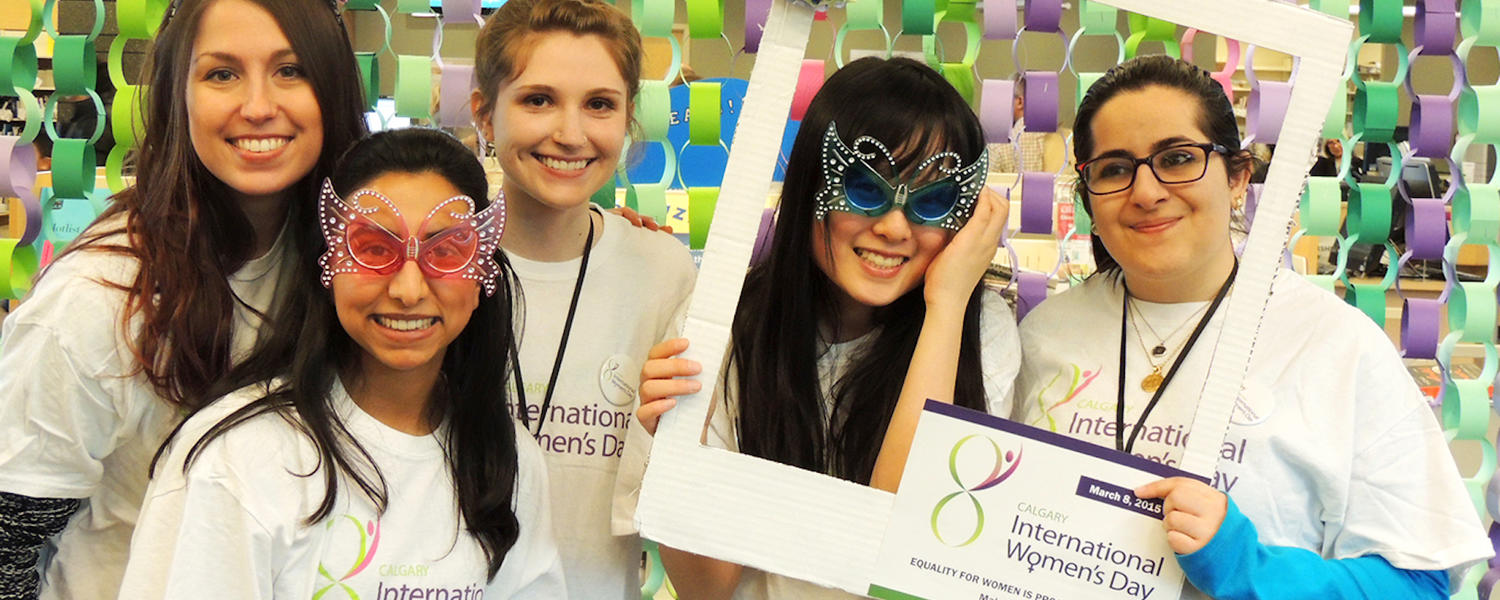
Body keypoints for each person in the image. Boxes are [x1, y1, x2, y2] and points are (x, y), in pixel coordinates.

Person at [1014, 55, 1491, 599]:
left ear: (1238, 178)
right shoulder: (1046, 335)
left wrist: (1247, 568)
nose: (1145, 192)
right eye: (1115, 169)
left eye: (1177, 158)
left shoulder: (1335, 345)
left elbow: (1420, 585)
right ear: (1088, 196)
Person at [0, 0, 368, 598]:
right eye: (221, 73)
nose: (257, 106)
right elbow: (7, 541)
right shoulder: (96, 302)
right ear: (177, 95)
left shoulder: (354, 265)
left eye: (291, 70)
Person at [626, 56, 1019, 599]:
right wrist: (678, 457)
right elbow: (707, 590)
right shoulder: (726, 324)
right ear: (812, 182)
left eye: (932, 201)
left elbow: (897, 553)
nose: (893, 228)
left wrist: (947, 303)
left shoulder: (978, 332)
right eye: (864, 188)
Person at [117, 127, 565, 598]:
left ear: (481, 275)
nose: (408, 290)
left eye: (446, 252)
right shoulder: (239, 457)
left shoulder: (505, 458)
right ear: (328, 266)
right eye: (374, 250)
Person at [468, 1, 696, 597]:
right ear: (485, 115)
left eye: (599, 104)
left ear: (627, 120)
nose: (570, 134)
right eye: (538, 99)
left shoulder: (661, 271)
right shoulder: (440, 268)